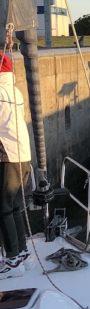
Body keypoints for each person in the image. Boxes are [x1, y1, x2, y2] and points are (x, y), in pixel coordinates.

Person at [0, 53, 32, 278]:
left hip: (7, 156)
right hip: (23, 155)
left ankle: (12, 260)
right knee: (16, 207)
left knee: (3, 208)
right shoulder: (15, 90)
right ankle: (21, 253)